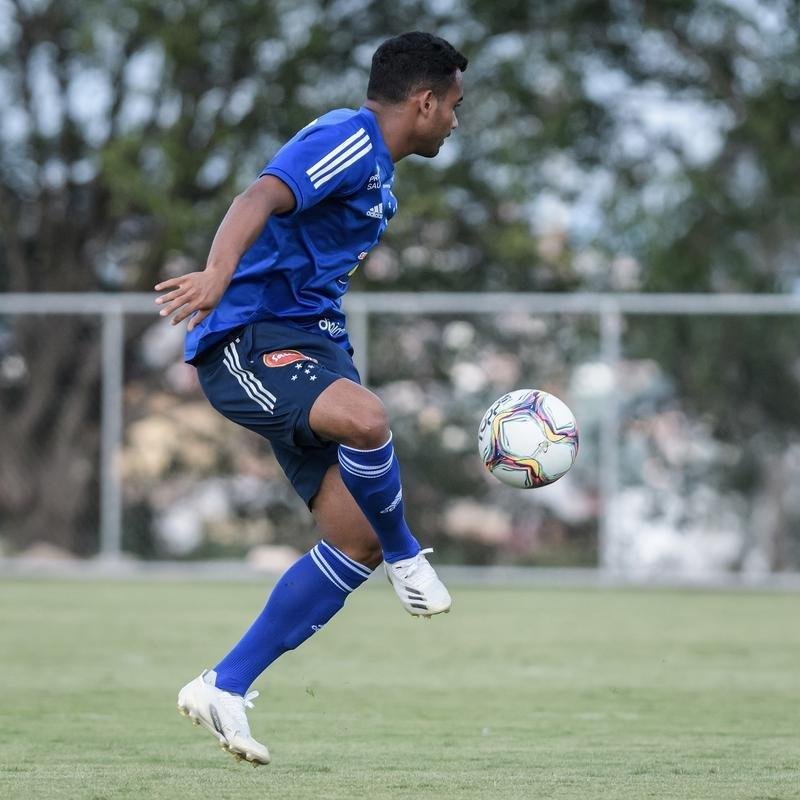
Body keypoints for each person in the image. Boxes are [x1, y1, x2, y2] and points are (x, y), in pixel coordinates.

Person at [155, 31, 467, 766]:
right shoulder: (350, 138)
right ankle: (406, 556)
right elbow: (260, 192)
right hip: (248, 340)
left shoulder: (379, 170)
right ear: (423, 101)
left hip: (309, 342)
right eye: (454, 105)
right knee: (368, 419)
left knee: (349, 541)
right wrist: (214, 275)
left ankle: (223, 686)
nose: (457, 121)